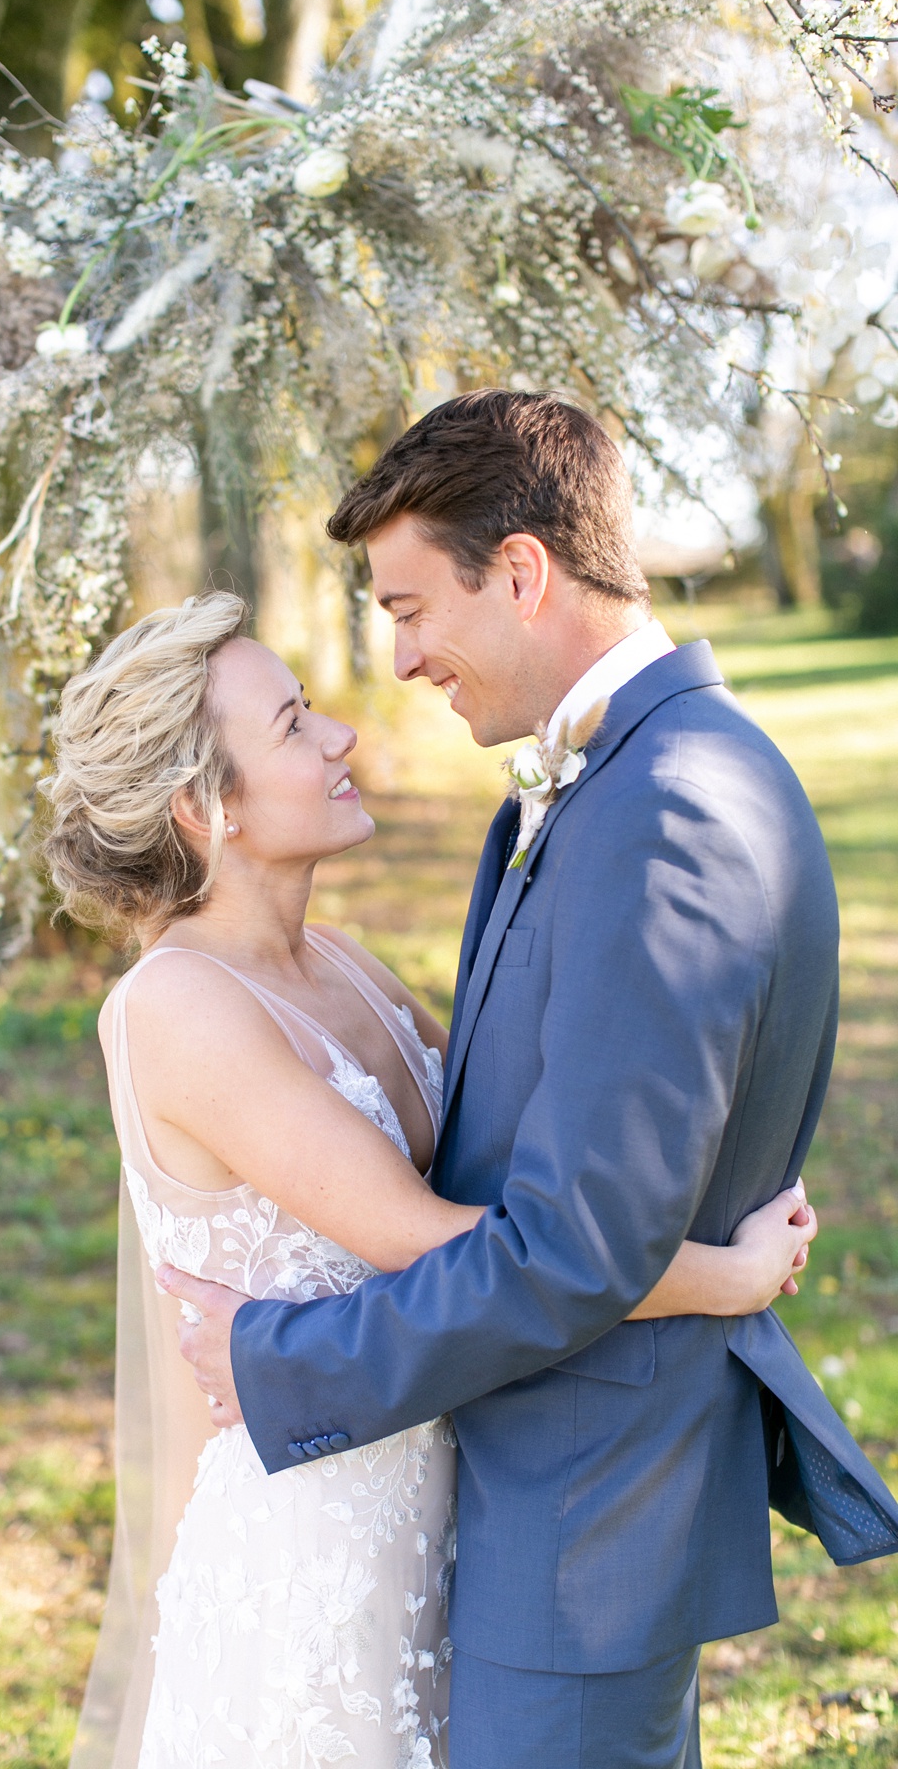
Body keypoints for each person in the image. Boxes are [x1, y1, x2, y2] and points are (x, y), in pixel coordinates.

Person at [159, 391, 898, 1769]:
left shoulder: (663, 809)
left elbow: (570, 1249)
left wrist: (277, 1359)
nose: (403, 657)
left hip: (581, 1522)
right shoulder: (596, 788)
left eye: (411, 606)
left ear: (523, 571)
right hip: (536, 1504)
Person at [41, 574, 819, 1769]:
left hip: (459, 1510)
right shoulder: (177, 1008)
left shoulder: (343, 964)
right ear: (207, 808)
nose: (343, 732)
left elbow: (526, 1166)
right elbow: (444, 1239)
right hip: (317, 1561)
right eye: (295, 724)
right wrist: (724, 1276)